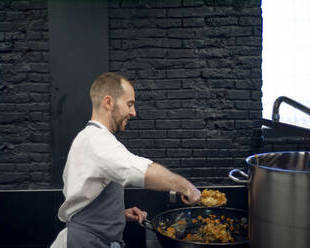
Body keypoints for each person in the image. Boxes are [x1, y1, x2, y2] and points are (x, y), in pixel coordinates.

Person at [50, 72, 201, 248]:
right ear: (108, 102)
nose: (133, 112)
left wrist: (117, 215)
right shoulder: (97, 141)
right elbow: (140, 171)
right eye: (130, 104)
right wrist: (187, 187)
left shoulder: (89, 139)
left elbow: (83, 197)